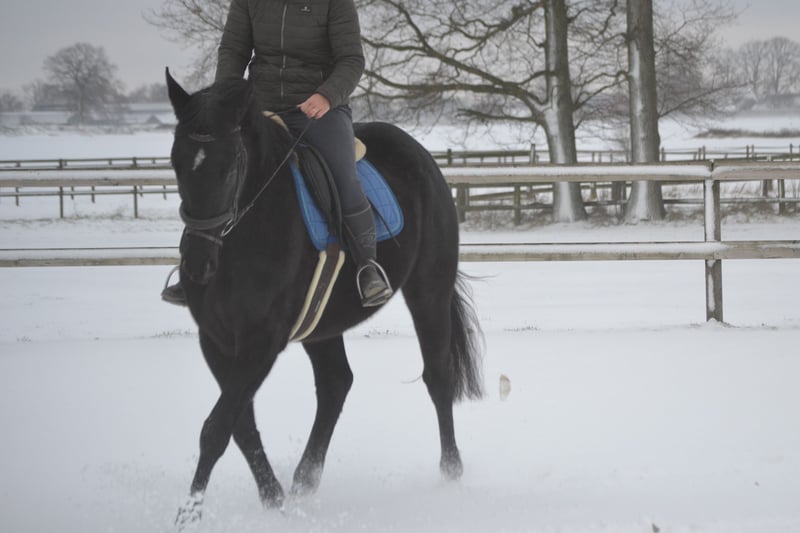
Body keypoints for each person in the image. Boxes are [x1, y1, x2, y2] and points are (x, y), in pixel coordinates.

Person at [162, 0, 393, 308]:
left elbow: (351, 59)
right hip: (257, 106)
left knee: (343, 175)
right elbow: (233, 50)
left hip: (318, 109)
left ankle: (367, 267)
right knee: (215, 171)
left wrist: (326, 96)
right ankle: (193, 268)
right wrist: (226, 101)